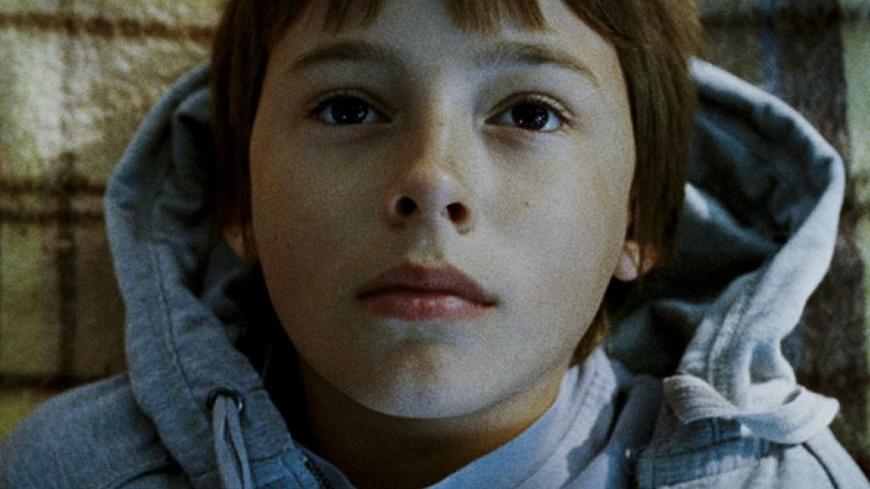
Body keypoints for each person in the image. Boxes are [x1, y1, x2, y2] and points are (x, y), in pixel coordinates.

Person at [0, 0, 867, 487]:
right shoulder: (76, 473)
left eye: (530, 113)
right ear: (239, 201)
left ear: (637, 220)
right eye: (348, 107)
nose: (431, 177)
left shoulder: (780, 481)